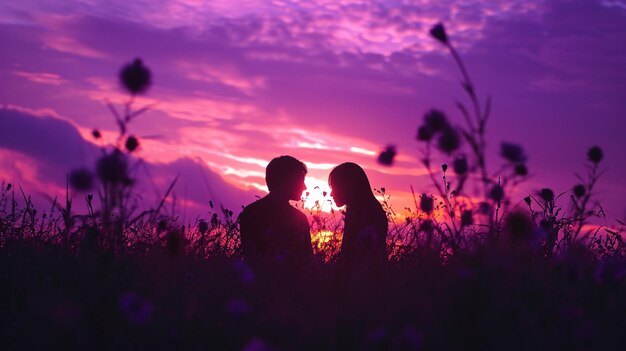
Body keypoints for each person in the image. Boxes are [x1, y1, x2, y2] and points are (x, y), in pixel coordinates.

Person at [238, 156, 313, 274]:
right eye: (300, 180)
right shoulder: (252, 214)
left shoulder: (250, 212)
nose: (304, 187)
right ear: (287, 181)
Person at [328, 162, 388, 267]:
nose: (331, 194)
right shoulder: (355, 211)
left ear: (347, 186)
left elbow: (362, 259)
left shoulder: (368, 214)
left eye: (334, 187)